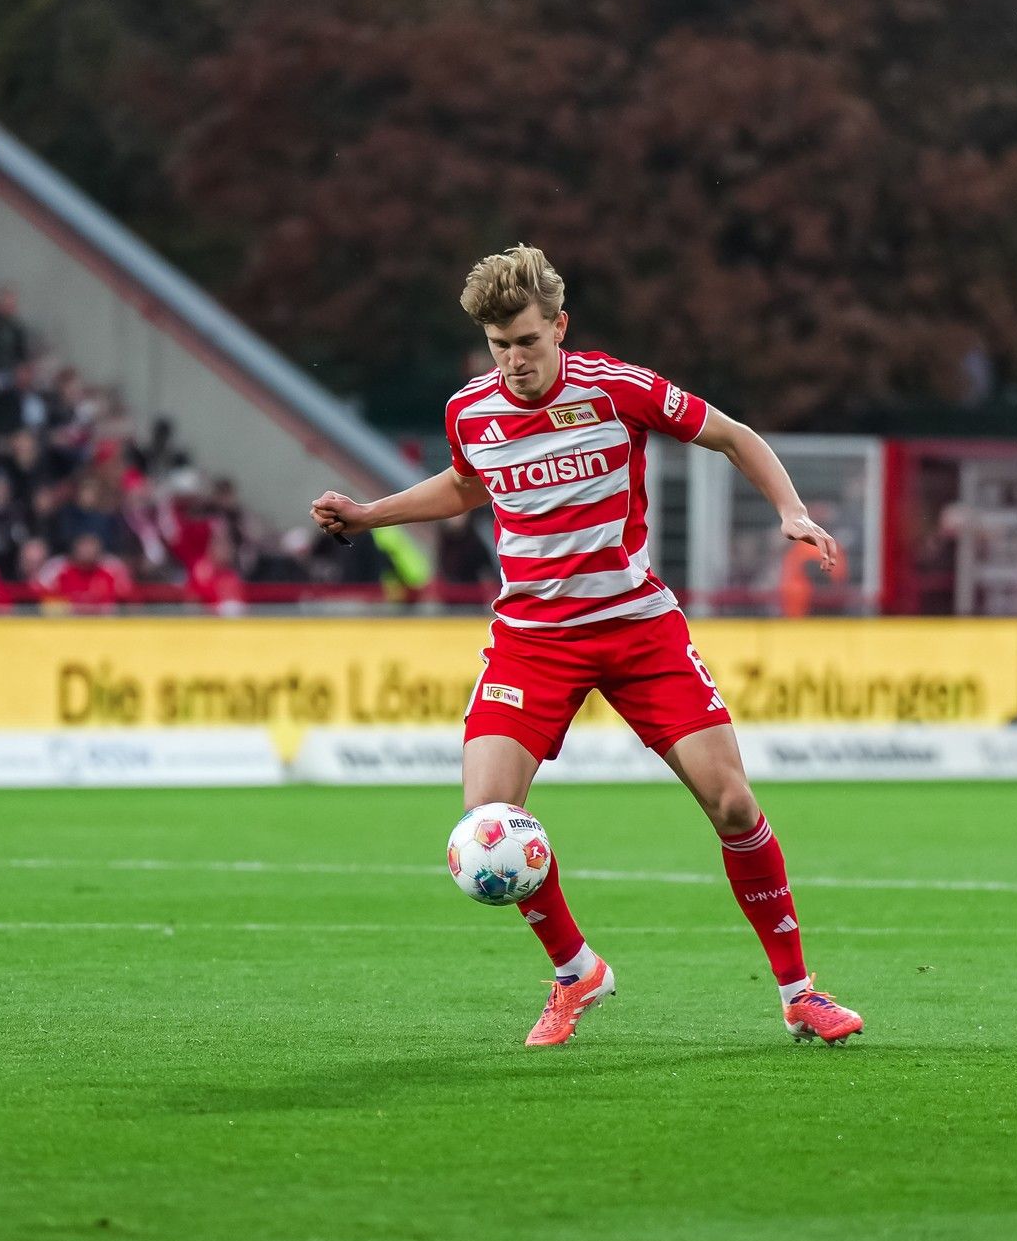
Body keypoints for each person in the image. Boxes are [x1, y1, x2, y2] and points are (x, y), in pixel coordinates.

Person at [309, 244, 862, 1047]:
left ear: (559, 326)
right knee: (485, 824)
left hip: (639, 629)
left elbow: (735, 435)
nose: (515, 361)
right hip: (532, 642)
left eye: (528, 342)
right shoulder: (470, 410)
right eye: (500, 347)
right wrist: (368, 514)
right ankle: (576, 971)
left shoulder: (617, 387)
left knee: (733, 802)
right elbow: (468, 483)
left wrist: (791, 509)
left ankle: (799, 991)